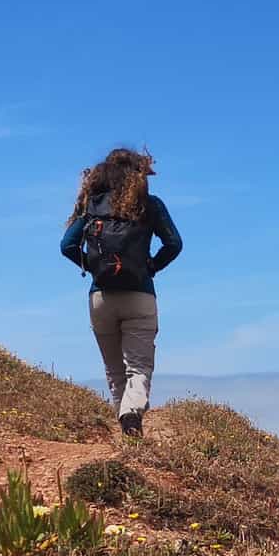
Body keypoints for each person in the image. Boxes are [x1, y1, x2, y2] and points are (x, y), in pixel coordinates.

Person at [59, 147, 183, 436]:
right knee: (138, 368)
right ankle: (131, 415)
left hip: (100, 297)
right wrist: (151, 267)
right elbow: (174, 244)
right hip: (139, 294)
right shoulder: (150, 205)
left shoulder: (92, 205)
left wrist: (94, 267)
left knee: (114, 370)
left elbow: (67, 245)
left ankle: (126, 429)